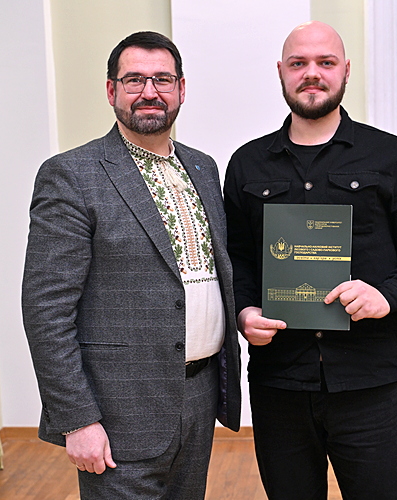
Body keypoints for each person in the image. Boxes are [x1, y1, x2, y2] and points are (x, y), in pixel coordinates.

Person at [224, 21, 397, 500]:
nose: (312, 73)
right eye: (298, 63)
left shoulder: (391, 156)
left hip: (369, 386)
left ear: (345, 70)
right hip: (279, 384)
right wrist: (244, 312)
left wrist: (386, 295)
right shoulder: (247, 163)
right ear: (281, 72)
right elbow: (237, 258)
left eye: (325, 62)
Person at [21, 31, 240, 499]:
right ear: (111, 90)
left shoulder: (203, 168)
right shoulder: (72, 175)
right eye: (134, 80)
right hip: (118, 410)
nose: (149, 91)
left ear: (181, 89)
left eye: (163, 79)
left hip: (199, 396)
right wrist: (77, 419)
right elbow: (46, 310)